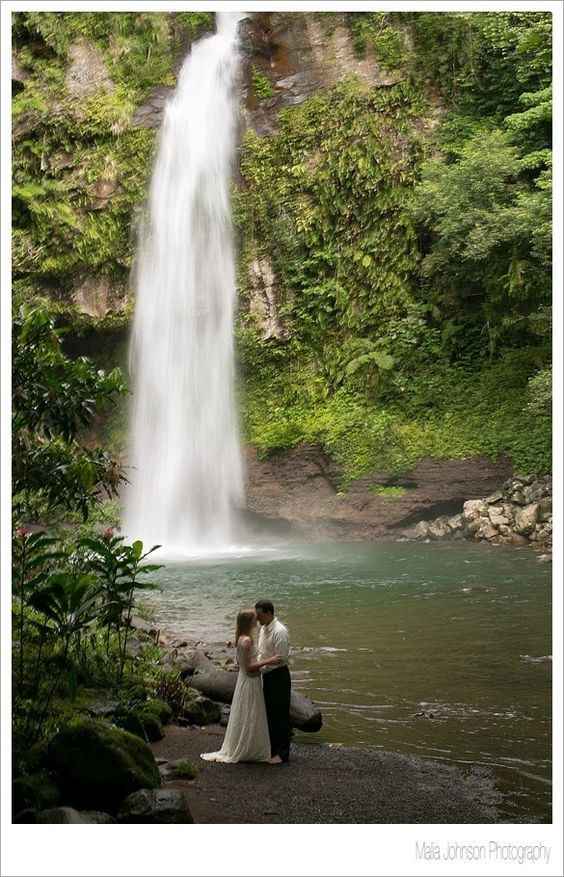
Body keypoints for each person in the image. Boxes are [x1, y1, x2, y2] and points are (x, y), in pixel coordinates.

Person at [200, 609, 281, 764]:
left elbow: (243, 663)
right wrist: (270, 660)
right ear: (248, 622)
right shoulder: (247, 641)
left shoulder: (242, 638)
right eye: (254, 618)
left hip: (246, 681)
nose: (257, 620)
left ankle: (248, 745)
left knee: (247, 714)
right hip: (250, 681)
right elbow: (249, 667)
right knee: (251, 714)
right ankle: (251, 749)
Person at [255, 599, 291, 764]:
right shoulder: (263, 629)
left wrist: (258, 665)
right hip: (267, 675)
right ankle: (272, 749)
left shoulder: (279, 631)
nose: (257, 619)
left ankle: (283, 754)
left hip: (278, 676)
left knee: (281, 715)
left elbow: (281, 658)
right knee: (270, 714)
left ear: (269, 613)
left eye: (260, 615)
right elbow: (263, 652)